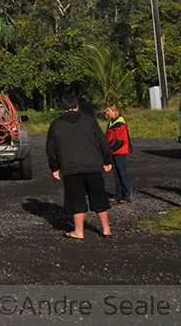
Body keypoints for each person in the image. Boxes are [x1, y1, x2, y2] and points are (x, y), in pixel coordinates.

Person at [46, 94, 113, 240]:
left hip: (71, 166)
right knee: (99, 196)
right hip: (93, 164)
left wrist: (55, 168)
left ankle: (79, 231)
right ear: (77, 105)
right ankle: (106, 229)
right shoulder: (89, 120)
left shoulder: (56, 124)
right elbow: (101, 141)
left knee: (76, 199)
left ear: (63, 107)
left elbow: (51, 149)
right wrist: (107, 160)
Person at [105, 104, 133, 205]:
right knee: (116, 174)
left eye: (108, 111)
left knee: (122, 173)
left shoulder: (120, 124)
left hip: (119, 151)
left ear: (115, 111)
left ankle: (127, 196)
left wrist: (109, 149)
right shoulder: (112, 123)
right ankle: (119, 195)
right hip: (114, 151)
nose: (107, 113)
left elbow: (120, 141)